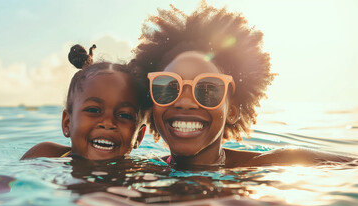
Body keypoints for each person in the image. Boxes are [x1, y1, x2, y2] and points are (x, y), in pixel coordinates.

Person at [131, 2, 356, 168]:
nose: (186, 102)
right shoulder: (139, 173)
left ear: (233, 111)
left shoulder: (278, 164)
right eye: (168, 88)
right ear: (152, 106)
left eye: (207, 89)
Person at [21, 44, 150, 160]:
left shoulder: (140, 175)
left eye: (124, 115)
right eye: (93, 110)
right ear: (67, 123)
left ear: (138, 136)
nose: (108, 123)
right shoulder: (46, 156)